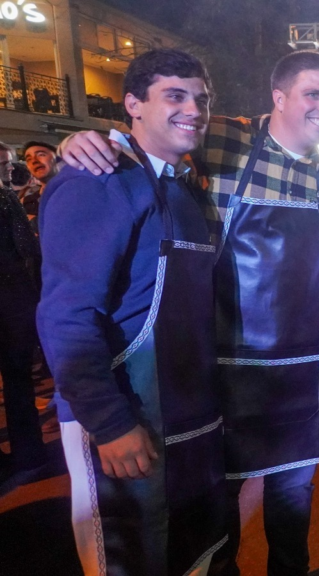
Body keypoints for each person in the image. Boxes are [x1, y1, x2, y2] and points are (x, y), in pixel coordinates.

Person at [58, 49, 319, 576]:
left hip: (298, 378)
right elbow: (150, 131)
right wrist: (86, 140)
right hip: (221, 376)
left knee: (293, 506)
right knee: (215, 517)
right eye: (313, 94)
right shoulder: (221, 137)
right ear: (279, 96)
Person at [37, 48, 226, 576]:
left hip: (185, 415)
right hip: (125, 416)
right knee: (130, 560)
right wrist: (110, 422)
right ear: (133, 105)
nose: (194, 110)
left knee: (184, 553)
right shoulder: (97, 180)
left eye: (202, 99)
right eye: (174, 96)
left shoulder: (181, 185)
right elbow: (67, 316)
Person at [0, 141, 46, 488]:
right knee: (17, 380)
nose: (9, 168)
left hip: (13, 298)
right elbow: (26, 245)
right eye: (4, 164)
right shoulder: (6, 198)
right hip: (12, 297)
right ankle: (29, 453)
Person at [19, 141, 58, 222]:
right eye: (28, 159)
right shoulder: (26, 203)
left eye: (41, 155)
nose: (34, 161)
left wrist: (34, 221)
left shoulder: (77, 191)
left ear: (58, 158)